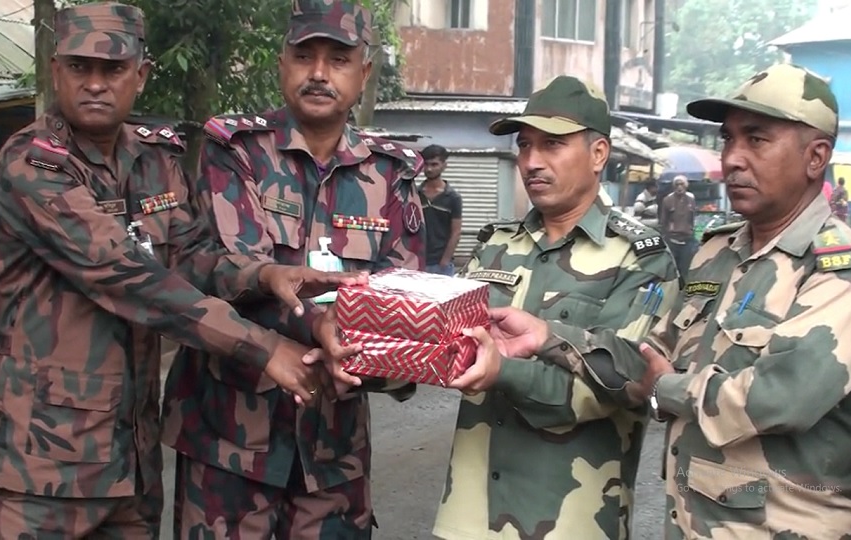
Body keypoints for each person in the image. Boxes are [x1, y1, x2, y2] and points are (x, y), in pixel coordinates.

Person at [0, 3, 364, 538]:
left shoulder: (155, 160)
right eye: (80, 67)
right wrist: (265, 347)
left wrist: (265, 276)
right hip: (38, 465)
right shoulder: (33, 165)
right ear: (56, 70)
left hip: (129, 459)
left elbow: (190, 257)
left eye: (113, 69)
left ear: (141, 74)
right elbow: (130, 278)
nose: (95, 83)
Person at [476, 63, 851, 538]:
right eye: (728, 138)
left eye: (756, 139)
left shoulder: (844, 269)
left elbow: (781, 400)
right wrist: (549, 336)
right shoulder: (717, 254)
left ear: (816, 158)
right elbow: (648, 358)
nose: (732, 158)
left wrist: (664, 389)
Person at [161, 1, 425, 538]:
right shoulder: (235, 150)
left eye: (339, 59)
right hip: (229, 443)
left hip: (334, 454)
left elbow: (403, 299)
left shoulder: (391, 173)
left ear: (364, 73)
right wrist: (317, 322)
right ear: (282, 63)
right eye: (305, 56)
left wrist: (379, 357)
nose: (320, 73)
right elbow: (222, 270)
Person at [432, 75, 681, 540]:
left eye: (552, 144)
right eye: (525, 145)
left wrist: (503, 371)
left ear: (599, 153)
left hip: (571, 521)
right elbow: (440, 345)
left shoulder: (639, 259)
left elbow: (623, 383)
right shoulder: (495, 246)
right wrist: (373, 344)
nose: (531, 161)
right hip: (468, 516)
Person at [419, 144, 463, 276]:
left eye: (434, 164)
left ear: (444, 165)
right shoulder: (415, 194)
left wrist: (445, 260)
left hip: (441, 264)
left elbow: (456, 232)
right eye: (426, 164)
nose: (429, 169)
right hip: (417, 261)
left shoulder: (453, 197)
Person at [660, 175, 696, 279]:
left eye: (682, 184)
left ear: (686, 186)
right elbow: (663, 221)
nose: (679, 187)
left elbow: (692, 218)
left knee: (685, 269)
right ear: (674, 186)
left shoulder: (691, 199)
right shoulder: (668, 200)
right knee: (672, 269)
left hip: (687, 240)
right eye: (677, 185)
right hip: (672, 240)